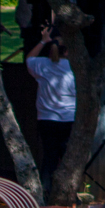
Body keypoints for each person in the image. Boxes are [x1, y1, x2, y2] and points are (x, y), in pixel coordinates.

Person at [24, 32, 76, 177]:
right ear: (67, 51)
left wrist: (43, 41)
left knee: (49, 157)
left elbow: (29, 59)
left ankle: (46, 187)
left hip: (47, 119)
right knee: (67, 159)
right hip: (69, 118)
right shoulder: (75, 68)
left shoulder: (42, 64)